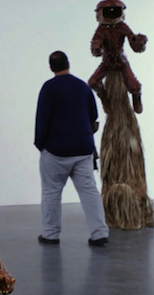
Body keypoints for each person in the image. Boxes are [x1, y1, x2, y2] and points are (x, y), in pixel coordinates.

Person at [34, 51, 110, 247]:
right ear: (68, 63)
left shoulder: (48, 88)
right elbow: (93, 117)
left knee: (51, 193)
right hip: (83, 149)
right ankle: (99, 233)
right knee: (89, 192)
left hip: (55, 150)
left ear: (51, 67)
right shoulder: (83, 87)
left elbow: (42, 120)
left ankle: (51, 234)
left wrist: (41, 145)